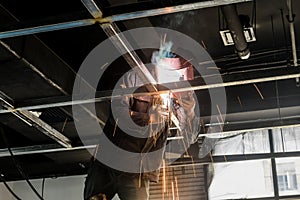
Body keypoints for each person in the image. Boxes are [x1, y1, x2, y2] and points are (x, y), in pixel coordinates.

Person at [83, 47, 199, 200]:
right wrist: (147, 118)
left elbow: (190, 135)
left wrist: (187, 106)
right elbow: (117, 113)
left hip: (138, 172)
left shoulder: (181, 94)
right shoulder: (136, 78)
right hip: (108, 161)